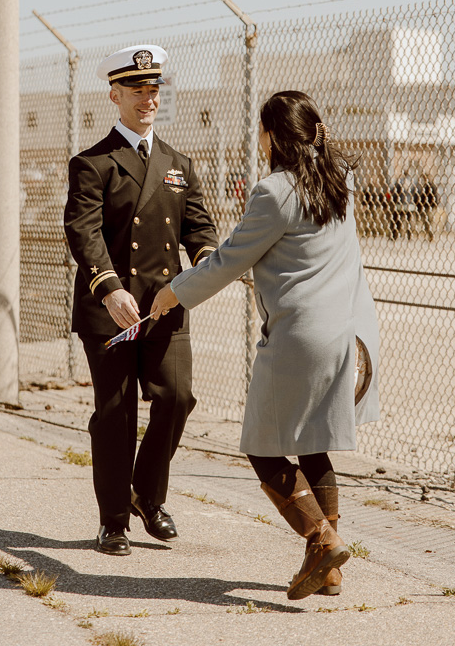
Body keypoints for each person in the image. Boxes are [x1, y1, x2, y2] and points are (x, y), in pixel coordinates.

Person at [151, 90, 380, 600]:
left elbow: (229, 259)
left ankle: (321, 540)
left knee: (262, 446)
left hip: (302, 340)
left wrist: (174, 293)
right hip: (353, 334)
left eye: (261, 129)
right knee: (311, 440)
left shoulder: (273, 192)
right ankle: (331, 566)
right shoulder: (341, 182)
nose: (258, 139)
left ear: (274, 135)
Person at [64, 44, 218, 556]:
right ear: (115, 95)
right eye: (137, 91)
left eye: (154, 91)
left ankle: (145, 494)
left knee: (177, 397)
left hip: (165, 306)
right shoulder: (92, 163)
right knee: (115, 413)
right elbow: (83, 232)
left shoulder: (179, 163)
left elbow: (200, 229)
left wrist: (216, 262)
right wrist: (109, 288)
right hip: (109, 310)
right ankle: (113, 521)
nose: (148, 99)